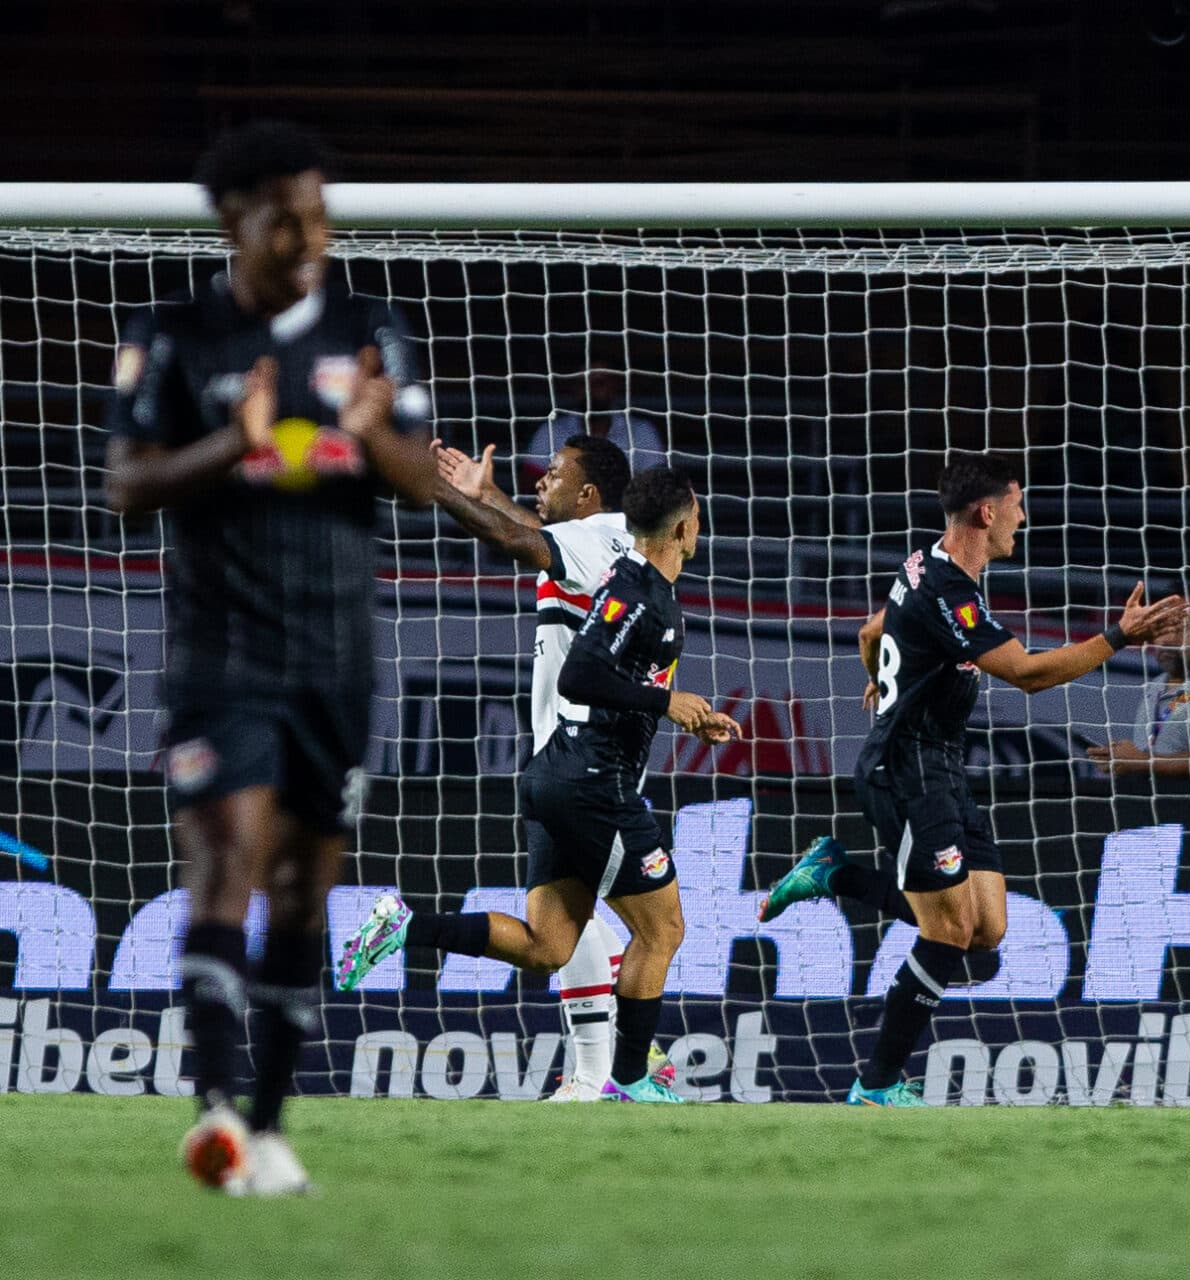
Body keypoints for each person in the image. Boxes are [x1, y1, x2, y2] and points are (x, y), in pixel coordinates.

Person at [104, 120, 438, 1194]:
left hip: (336, 657)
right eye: (284, 218)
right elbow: (126, 483)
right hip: (220, 652)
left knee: (300, 892)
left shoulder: (369, 329)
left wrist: (370, 431)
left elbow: (421, 483)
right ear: (231, 221)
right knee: (225, 861)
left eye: (318, 214)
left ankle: (270, 1122)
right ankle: (215, 1114)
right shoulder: (175, 334)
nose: (308, 237)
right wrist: (232, 445)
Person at [759, 453, 1188, 1105]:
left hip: (943, 765)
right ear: (987, 513)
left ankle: (835, 874)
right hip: (905, 770)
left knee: (988, 928)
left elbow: (871, 631)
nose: (1024, 516)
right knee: (949, 932)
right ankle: (875, 1085)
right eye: (1017, 504)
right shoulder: (948, 591)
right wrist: (1118, 636)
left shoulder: (929, 563)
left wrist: (883, 681)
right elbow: (1029, 675)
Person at [337, 468, 739, 1103]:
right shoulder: (640, 594)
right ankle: (630, 1078)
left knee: (547, 947)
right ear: (685, 529)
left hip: (559, 775)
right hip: (595, 784)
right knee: (663, 931)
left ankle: (404, 927)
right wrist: (665, 703)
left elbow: (550, 559)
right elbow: (580, 675)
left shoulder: (633, 581)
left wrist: (681, 711)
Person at [427, 431, 673, 1099]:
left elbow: (516, 540)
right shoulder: (605, 543)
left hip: (582, 766)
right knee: (568, 935)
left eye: (555, 473)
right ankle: (616, 1070)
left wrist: (436, 489)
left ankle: (608, 1073)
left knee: (583, 935)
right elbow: (535, 534)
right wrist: (490, 495)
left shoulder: (600, 539)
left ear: (589, 493)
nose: (541, 479)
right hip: (576, 767)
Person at [1087, 604, 1190, 782]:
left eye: (1178, 630)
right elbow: (1148, 761)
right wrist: (1122, 761)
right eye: (1160, 631)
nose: (1165, 640)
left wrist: (1140, 761)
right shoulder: (1154, 687)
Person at [518, 363, 666, 491]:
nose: (590, 390)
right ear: (574, 388)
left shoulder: (642, 431)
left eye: (599, 383)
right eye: (583, 383)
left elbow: (657, 485)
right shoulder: (551, 431)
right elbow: (530, 484)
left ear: (615, 385)